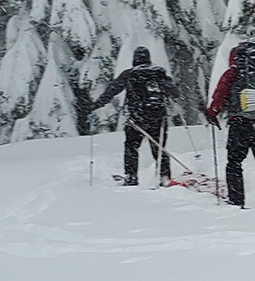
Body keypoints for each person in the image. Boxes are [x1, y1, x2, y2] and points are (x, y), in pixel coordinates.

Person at [79, 46, 184, 186]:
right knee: (159, 149)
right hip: (158, 119)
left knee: (131, 148)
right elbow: (175, 94)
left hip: (137, 119)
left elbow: (111, 92)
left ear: (134, 59)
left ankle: (131, 178)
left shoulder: (129, 74)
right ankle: (164, 178)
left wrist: (94, 106)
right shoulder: (159, 74)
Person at [205, 41, 255, 207]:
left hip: (240, 124)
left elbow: (220, 96)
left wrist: (212, 113)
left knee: (234, 163)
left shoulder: (234, 73)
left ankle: (236, 201)